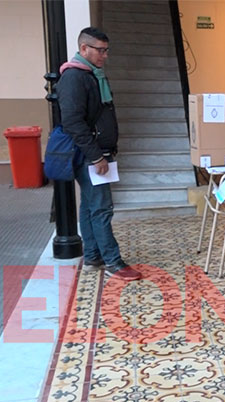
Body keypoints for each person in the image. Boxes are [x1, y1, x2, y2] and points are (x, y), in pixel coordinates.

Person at [57, 27, 141, 281]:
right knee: (102, 208)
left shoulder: (93, 75)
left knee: (90, 206)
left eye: (106, 50)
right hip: (91, 155)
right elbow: (73, 122)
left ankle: (93, 254)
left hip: (97, 152)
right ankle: (113, 261)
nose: (104, 55)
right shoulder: (75, 77)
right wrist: (96, 157)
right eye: (100, 50)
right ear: (84, 49)